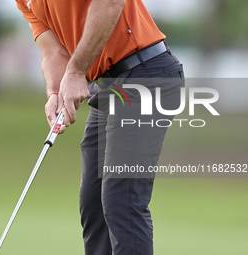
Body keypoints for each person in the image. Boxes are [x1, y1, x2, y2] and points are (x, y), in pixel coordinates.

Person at [16, 0, 184, 254]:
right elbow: (53, 52)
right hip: (107, 86)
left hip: (145, 76)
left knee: (121, 200)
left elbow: (110, 3)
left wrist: (75, 73)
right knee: (93, 203)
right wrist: (54, 92)